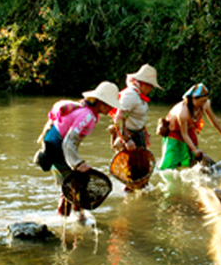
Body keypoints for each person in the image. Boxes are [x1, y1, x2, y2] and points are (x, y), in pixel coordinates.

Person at [34, 81, 120, 216]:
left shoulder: (90, 114)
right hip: (55, 145)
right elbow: (68, 142)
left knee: (70, 184)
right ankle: (74, 217)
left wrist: (76, 162)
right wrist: (78, 163)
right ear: (101, 102)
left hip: (53, 143)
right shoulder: (88, 116)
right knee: (75, 183)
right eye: (109, 105)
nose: (110, 109)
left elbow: (71, 142)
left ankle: (69, 217)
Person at [157, 82, 221, 170]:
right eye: (202, 101)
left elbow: (213, 119)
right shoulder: (183, 112)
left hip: (189, 130)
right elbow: (184, 134)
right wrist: (194, 149)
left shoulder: (205, 104)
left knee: (194, 159)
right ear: (193, 99)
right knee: (169, 163)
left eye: (205, 100)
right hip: (174, 134)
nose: (204, 104)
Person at [111, 63, 162, 152]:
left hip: (138, 135)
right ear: (144, 84)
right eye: (150, 86)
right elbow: (118, 118)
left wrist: (145, 133)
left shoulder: (138, 95)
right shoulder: (131, 95)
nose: (151, 89)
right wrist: (126, 140)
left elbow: (137, 117)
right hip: (129, 137)